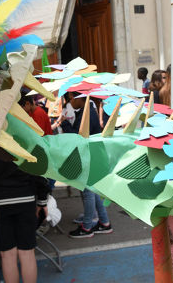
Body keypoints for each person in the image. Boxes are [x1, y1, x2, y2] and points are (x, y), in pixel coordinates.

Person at [0, 152, 50, 283]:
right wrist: (42, 201)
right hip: (25, 198)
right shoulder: (25, 136)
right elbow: (38, 171)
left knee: (7, 255)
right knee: (27, 252)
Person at [60, 92, 113, 238]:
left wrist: (64, 123)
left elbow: (77, 137)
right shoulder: (88, 109)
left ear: (78, 98)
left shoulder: (87, 113)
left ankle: (88, 227)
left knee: (88, 192)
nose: (70, 101)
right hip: (92, 155)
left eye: (71, 98)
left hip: (88, 156)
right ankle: (104, 222)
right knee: (92, 191)